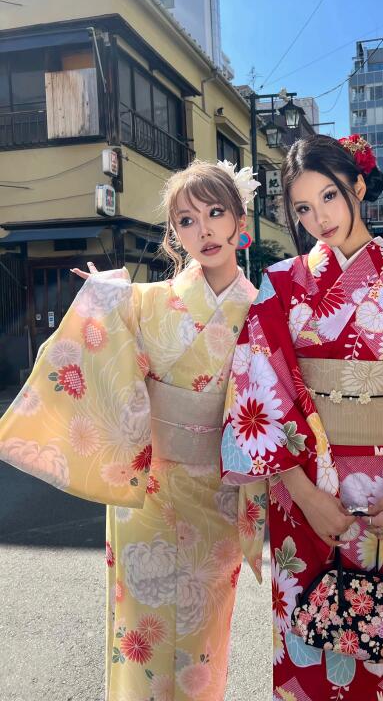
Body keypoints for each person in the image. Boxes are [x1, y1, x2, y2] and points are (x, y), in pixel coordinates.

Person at [221, 134, 383, 700]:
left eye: (329, 196)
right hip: (303, 494)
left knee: (379, 647)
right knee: (304, 651)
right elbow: (256, 387)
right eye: (302, 208)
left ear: (358, 187)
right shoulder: (281, 283)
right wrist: (303, 494)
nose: (319, 218)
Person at [0, 159, 259, 701]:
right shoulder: (147, 301)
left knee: (202, 633)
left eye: (216, 213)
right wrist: (101, 299)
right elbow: (104, 357)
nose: (204, 230)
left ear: (240, 220)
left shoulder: (261, 311)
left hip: (218, 491)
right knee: (142, 629)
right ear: (174, 235)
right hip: (150, 493)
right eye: (187, 221)